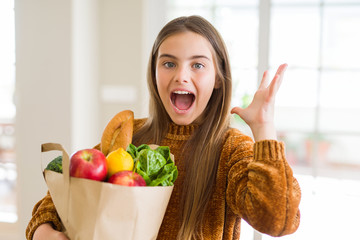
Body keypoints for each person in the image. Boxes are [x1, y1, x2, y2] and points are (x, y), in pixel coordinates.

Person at [26, 15, 301, 240]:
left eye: (198, 65)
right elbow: (63, 197)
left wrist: (264, 128)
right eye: (169, 63)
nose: (181, 76)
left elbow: (278, 221)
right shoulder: (130, 136)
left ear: (218, 79)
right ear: (154, 72)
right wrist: (42, 231)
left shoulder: (231, 149)